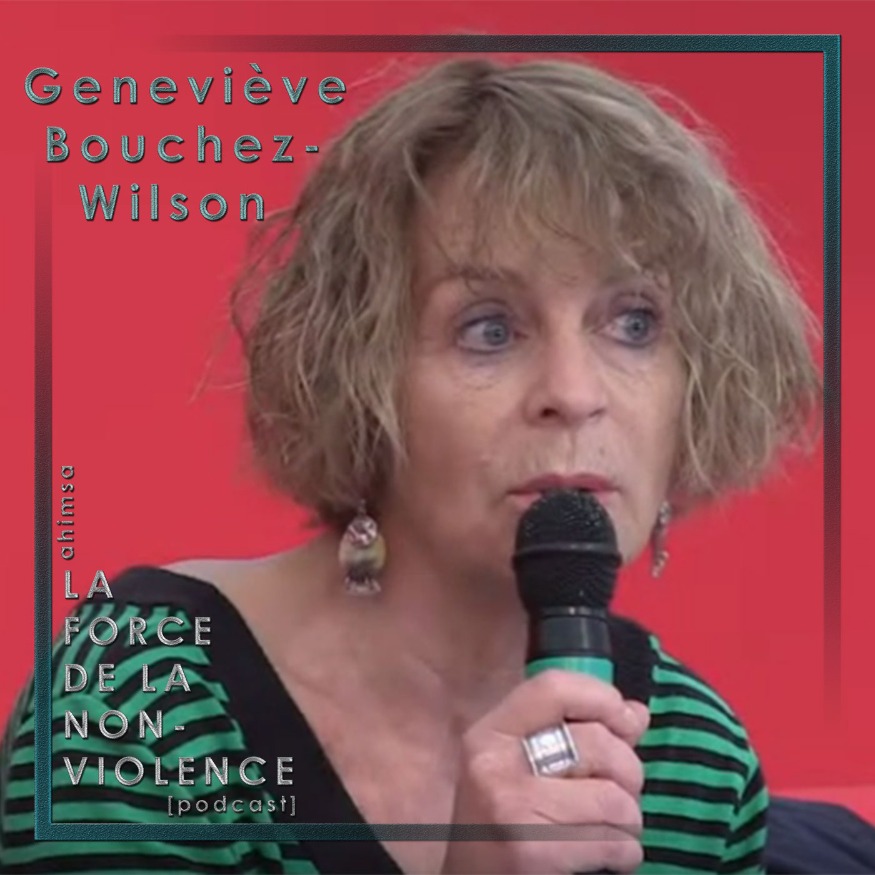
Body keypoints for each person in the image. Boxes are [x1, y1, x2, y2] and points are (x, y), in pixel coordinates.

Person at [0, 56, 820, 873]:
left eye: (634, 322)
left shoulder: (691, 758)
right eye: (488, 329)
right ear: (359, 379)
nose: (573, 393)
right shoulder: (137, 697)